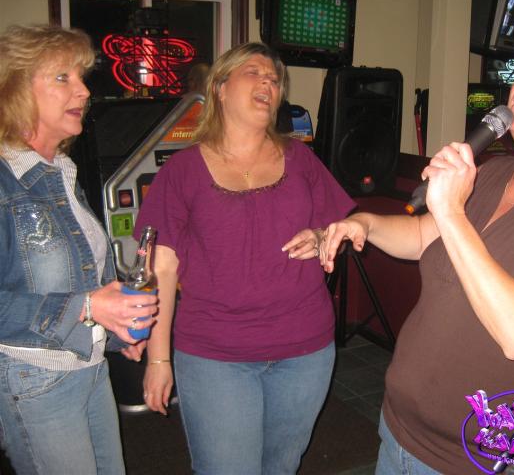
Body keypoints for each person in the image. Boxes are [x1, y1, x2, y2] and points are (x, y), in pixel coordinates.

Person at [320, 21, 514, 474]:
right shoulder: (490, 174)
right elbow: (422, 237)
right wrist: (364, 223)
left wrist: (450, 210)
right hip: (402, 435)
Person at [135, 41, 354, 475]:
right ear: (220, 87)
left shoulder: (302, 159)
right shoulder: (181, 172)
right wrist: (158, 360)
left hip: (305, 351)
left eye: (275, 79)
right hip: (217, 354)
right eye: (254, 73)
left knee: (281, 466)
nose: (268, 83)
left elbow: (339, 232)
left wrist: (322, 236)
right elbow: (161, 269)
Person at [0, 25, 157, 474]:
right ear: (14, 89)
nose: (84, 90)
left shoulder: (61, 171)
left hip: (88, 370)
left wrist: (113, 326)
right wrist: (89, 305)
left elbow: (76, 279)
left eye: (81, 77)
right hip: (34, 378)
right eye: (62, 78)